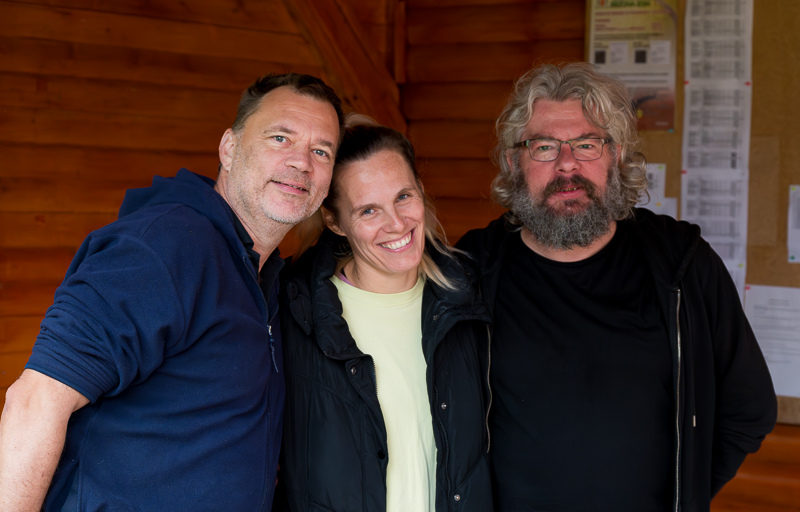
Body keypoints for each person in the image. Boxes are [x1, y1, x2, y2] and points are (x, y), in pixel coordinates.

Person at [0, 72, 344, 512]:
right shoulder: (164, 246)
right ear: (229, 148)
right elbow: (35, 401)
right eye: (280, 138)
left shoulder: (266, 277)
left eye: (321, 151)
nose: (302, 163)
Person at [457, 62, 777, 512]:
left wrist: (686, 495)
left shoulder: (682, 264)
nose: (567, 164)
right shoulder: (470, 270)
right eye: (544, 146)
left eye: (587, 144)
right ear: (514, 162)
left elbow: (749, 408)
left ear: (617, 155)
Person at [276, 120, 493, 511]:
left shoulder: (469, 300)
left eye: (403, 196)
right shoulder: (295, 314)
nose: (396, 224)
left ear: (420, 191)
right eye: (369, 210)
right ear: (335, 221)